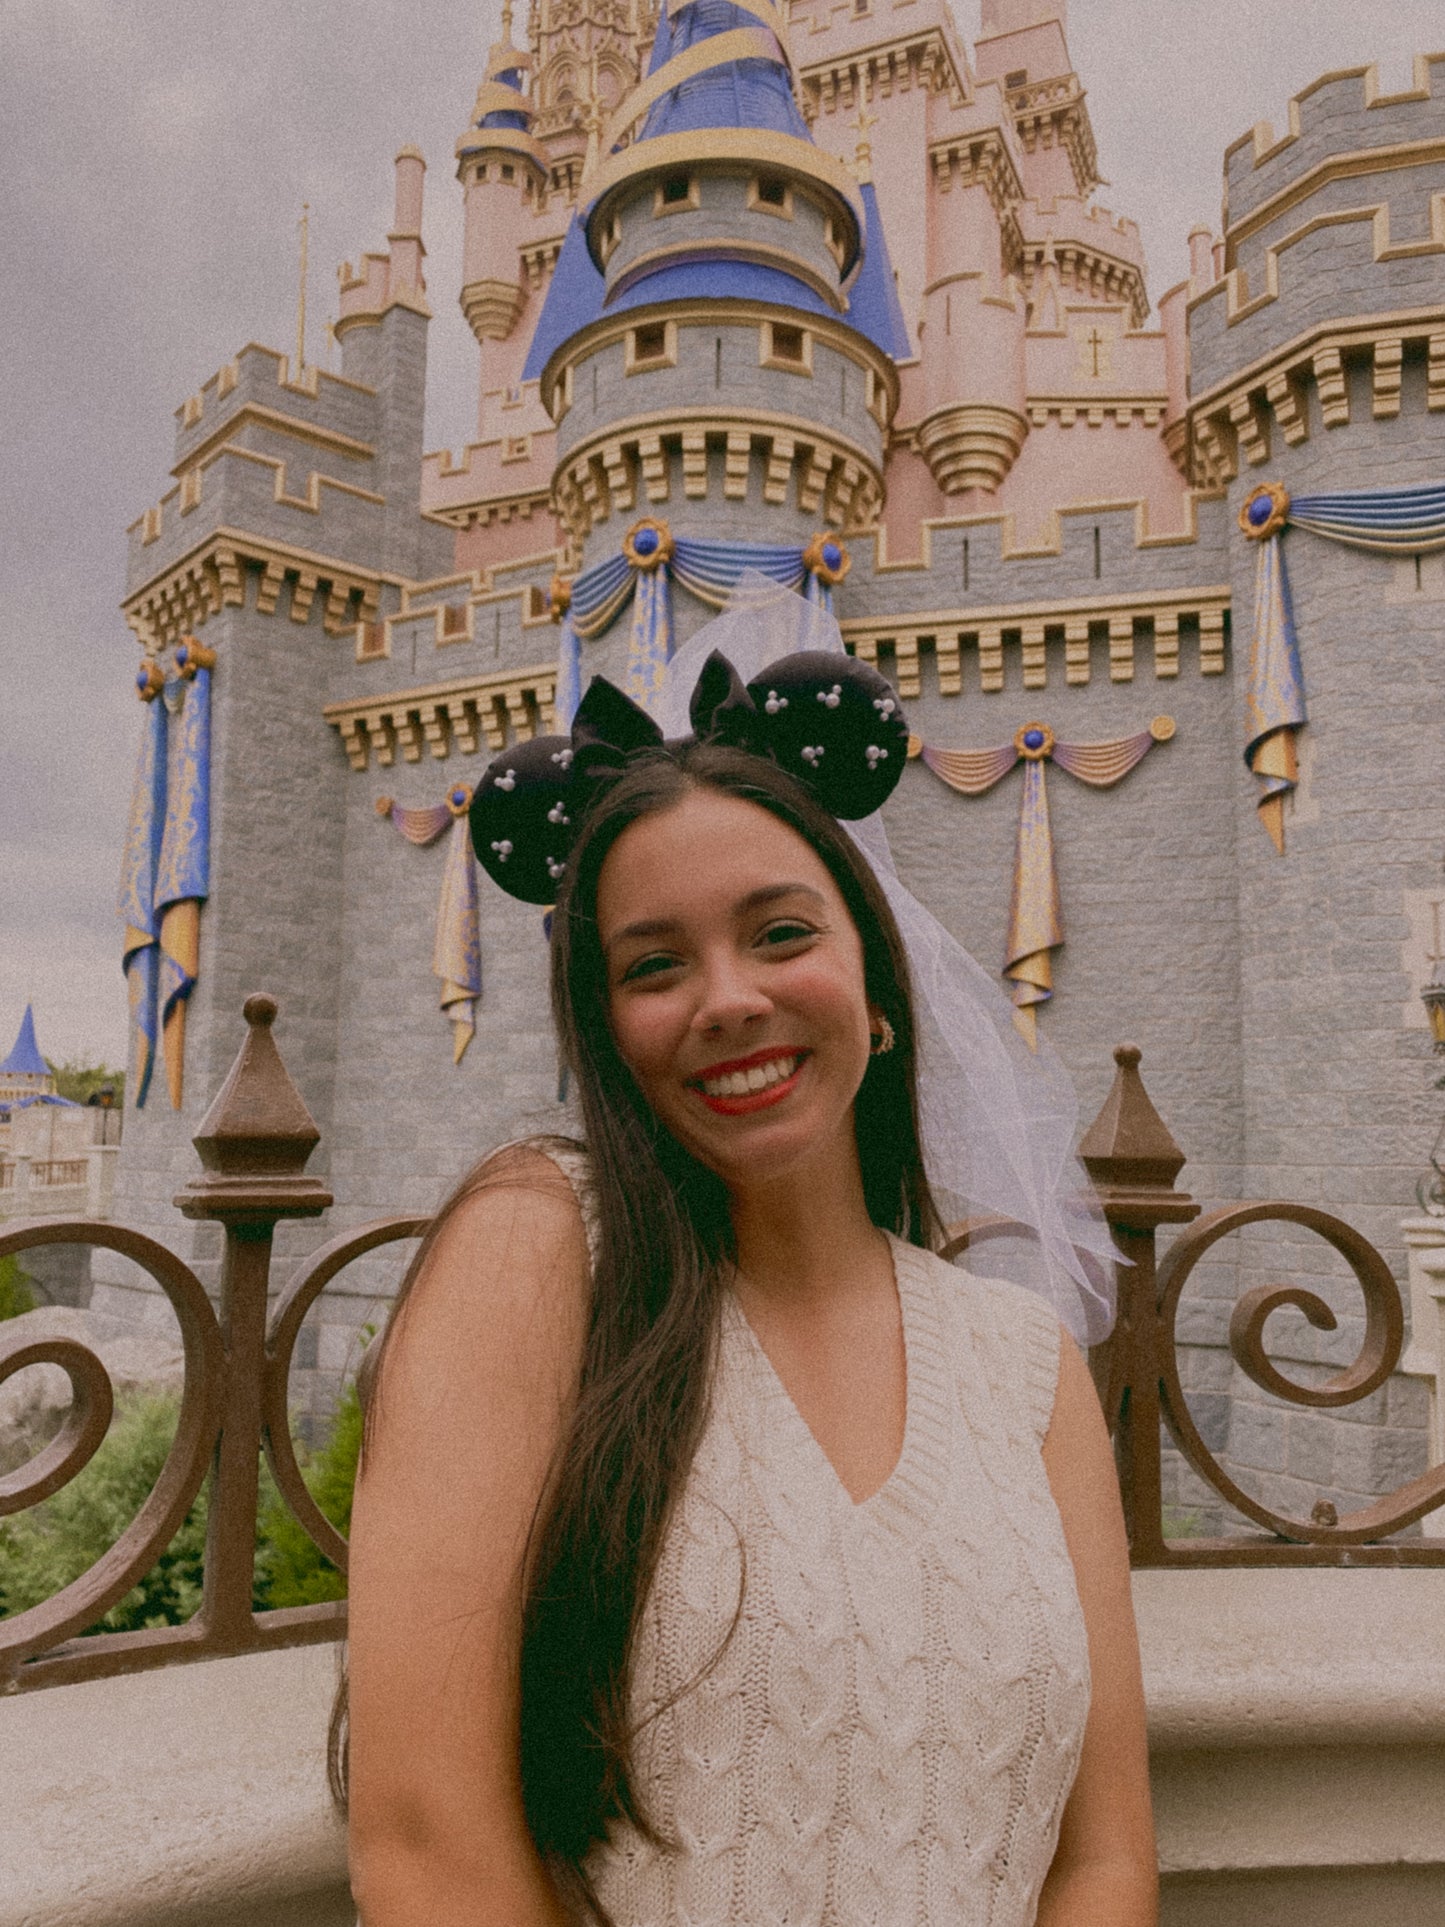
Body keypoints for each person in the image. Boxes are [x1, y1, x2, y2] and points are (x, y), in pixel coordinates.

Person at [342, 605, 1157, 1927]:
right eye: (655, 965)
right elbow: (428, 1841)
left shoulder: (1021, 1367)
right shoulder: (540, 1250)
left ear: (875, 983)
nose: (726, 996)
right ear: (605, 1033)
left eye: (779, 934)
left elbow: (1104, 1853)